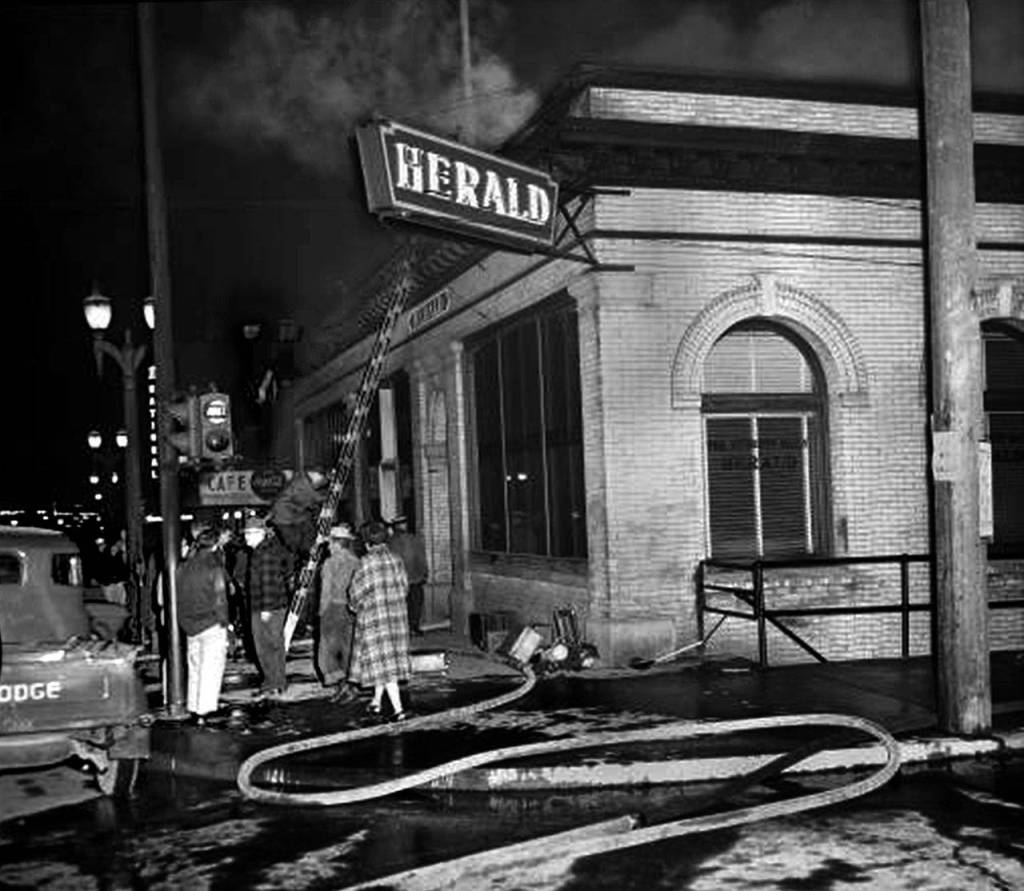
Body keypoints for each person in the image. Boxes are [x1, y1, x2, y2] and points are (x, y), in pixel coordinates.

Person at [348, 520, 411, 721]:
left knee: (385, 666)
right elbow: (405, 588)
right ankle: (376, 702)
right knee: (384, 662)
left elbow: (355, 595)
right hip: (396, 619)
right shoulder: (396, 559)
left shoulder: (365, 563)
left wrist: (356, 606)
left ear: (367, 543)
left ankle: (399, 711)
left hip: (375, 621)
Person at [176, 524, 231, 724]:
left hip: (189, 625)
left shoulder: (183, 567)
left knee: (195, 668)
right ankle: (205, 710)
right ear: (215, 545)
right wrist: (226, 625)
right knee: (211, 668)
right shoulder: (214, 568)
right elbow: (220, 600)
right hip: (211, 623)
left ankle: (194, 706)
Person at [246, 516, 294, 699]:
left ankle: (275, 683)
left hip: (267, 607)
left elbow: (268, 582)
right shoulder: (263, 551)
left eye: (249, 533)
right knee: (269, 646)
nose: (246, 537)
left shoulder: (264, 553)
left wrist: (266, 609)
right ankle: (273, 682)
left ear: (260, 534)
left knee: (268, 646)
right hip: (269, 606)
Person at [317, 523, 361, 703]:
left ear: (337, 543)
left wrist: (322, 612)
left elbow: (326, 591)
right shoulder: (356, 561)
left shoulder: (330, 563)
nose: (328, 547)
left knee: (328, 650)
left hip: (333, 608)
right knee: (349, 648)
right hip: (352, 609)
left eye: (330, 543)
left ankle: (340, 685)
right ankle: (351, 686)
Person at [387, 515, 428, 636]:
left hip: (398, 580)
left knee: (401, 605)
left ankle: (402, 628)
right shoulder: (414, 539)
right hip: (414, 577)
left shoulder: (390, 542)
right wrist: (424, 573)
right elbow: (421, 557)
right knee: (415, 604)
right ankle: (413, 627)